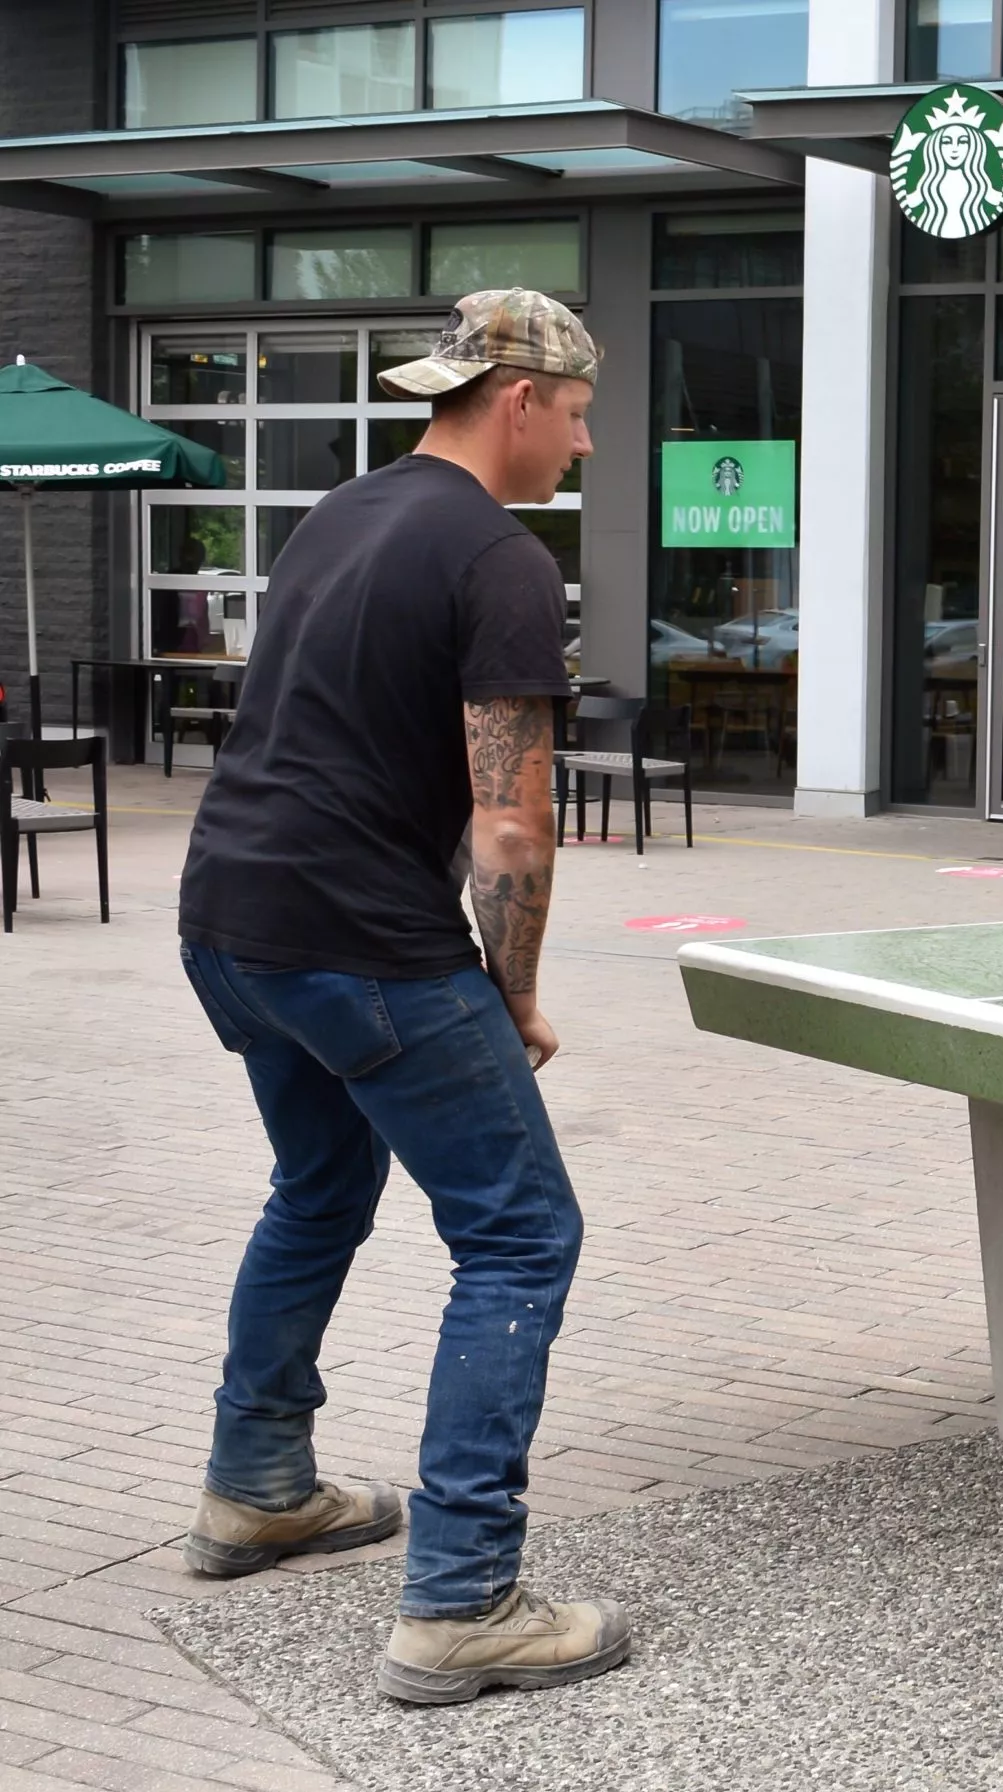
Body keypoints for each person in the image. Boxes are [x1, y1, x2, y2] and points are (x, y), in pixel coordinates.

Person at [174, 288, 630, 1704]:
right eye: (576, 413)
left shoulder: (339, 514)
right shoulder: (498, 559)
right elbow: (510, 827)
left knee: (318, 1188)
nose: (584, 442)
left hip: (229, 918)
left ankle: (257, 1485)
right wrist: (515, 993)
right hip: (364, 939)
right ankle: (460, 1600)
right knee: (519, 1233)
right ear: (515, 399)